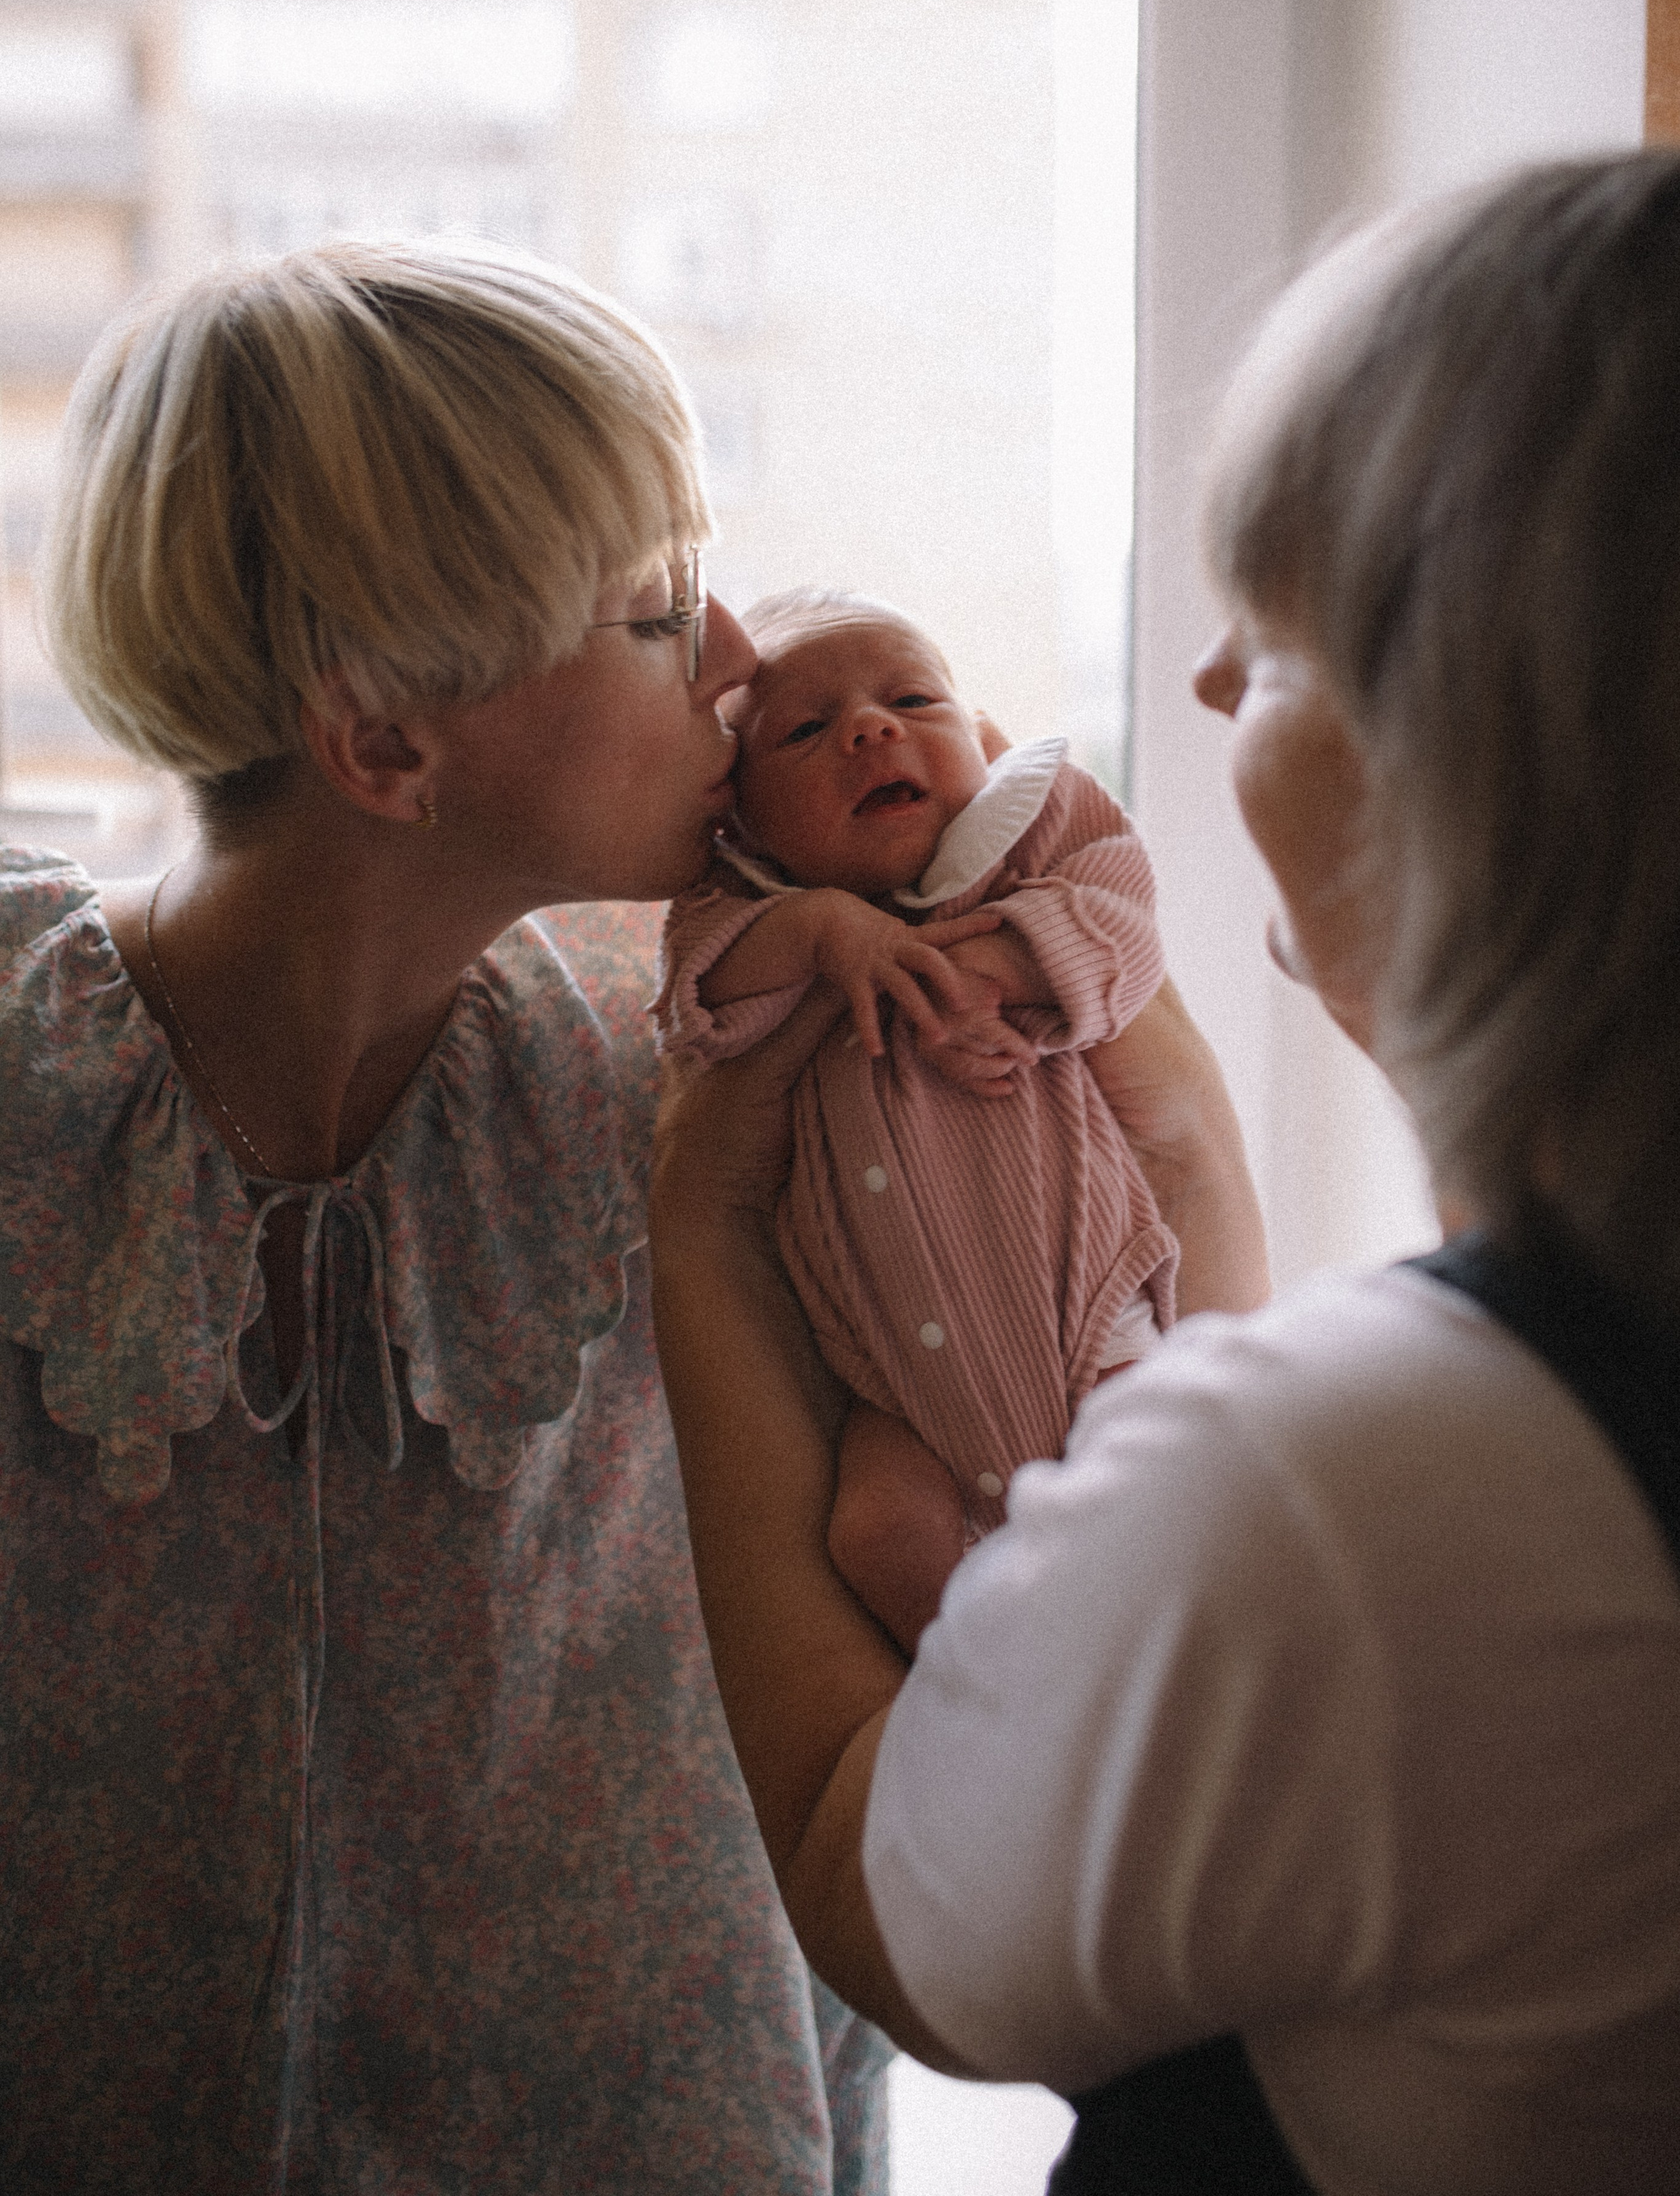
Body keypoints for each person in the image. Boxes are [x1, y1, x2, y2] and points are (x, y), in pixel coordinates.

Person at [647, 152, 1680, 2195]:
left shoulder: (1361, 1507)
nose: (1204, 687)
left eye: (1277, 642)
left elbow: (880, 1885)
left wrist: (702, 1239)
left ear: (1475, 736)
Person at [0, 240, 892, 2193]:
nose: (740, 661)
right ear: (387, 741)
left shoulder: (706, 1069)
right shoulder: (21, 1085)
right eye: (658, 614)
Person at [654, 587, 1181, 1651]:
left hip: (1087, 1321)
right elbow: (698, 1006)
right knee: (876, 1535)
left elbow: (1123, 920)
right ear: (743, 816)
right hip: (897, 1389)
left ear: (976, 733)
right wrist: (820, 932)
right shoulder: (743, 907)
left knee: (1162, 1489)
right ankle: (1000, 1686)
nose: (869, 729)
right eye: (807, 731)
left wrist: (989, 971)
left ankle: (1135, 1665)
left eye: (911, 700)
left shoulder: (1030, 831)